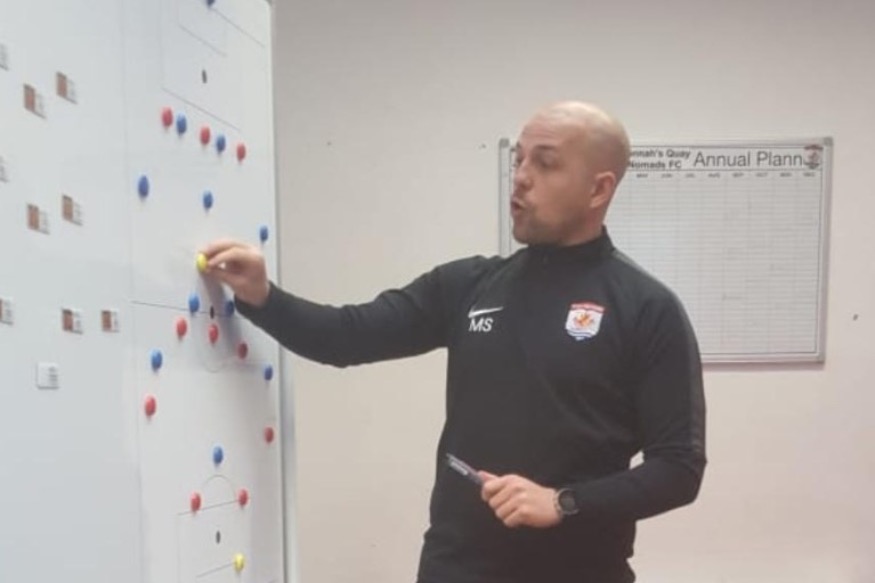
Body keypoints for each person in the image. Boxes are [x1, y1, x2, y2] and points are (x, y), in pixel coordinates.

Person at [201, 101, 706, 583]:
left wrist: (562, 502)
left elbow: (678, 468)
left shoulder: (646, 307)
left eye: (546, 163)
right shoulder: (468, 286)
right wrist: (262, 296)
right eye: (519, 159)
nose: (521, 176)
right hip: (456, 569)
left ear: (598, 190)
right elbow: (345, 337)